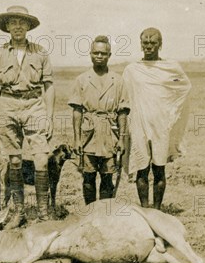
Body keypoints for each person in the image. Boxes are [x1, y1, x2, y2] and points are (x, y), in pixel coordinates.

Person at [0, 5, 54, 228]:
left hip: (34, 104)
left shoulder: (40, 52)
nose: (17, 26)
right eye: (13, 22)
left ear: (28, 27)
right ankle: (18, 212)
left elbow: (49, 85)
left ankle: (43, 214)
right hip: (7, 105)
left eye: (22, 22)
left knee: (41, 159)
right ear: (6, 27)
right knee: (14, 160)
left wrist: (50, 116)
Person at [123, 27, 191, 211]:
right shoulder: (132, 70)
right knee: (141, 168)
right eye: (145, 43)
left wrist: (171, 111)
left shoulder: (170, 67)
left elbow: (184, 87)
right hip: (139, 124)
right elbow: (125, 97)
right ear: (141, 44)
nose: (149, 46)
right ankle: (145, 209)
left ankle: (158, 209)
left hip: (161, 124)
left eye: (153, 43)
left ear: (160, 45)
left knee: (159, 168)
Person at [69, 36, 129, 204]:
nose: (99, 56)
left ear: (109, 55)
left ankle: (104, 215)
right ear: (90, 54)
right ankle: (90, 213)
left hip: (110, 134)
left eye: (103, 53)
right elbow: (77, 111)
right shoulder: (82, 79)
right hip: (89, 134)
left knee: (107, 177)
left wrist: (122, 139)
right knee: (88, 177)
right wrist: (77, 139)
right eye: (96, 53)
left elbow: (123, 112)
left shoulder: (118, 80)